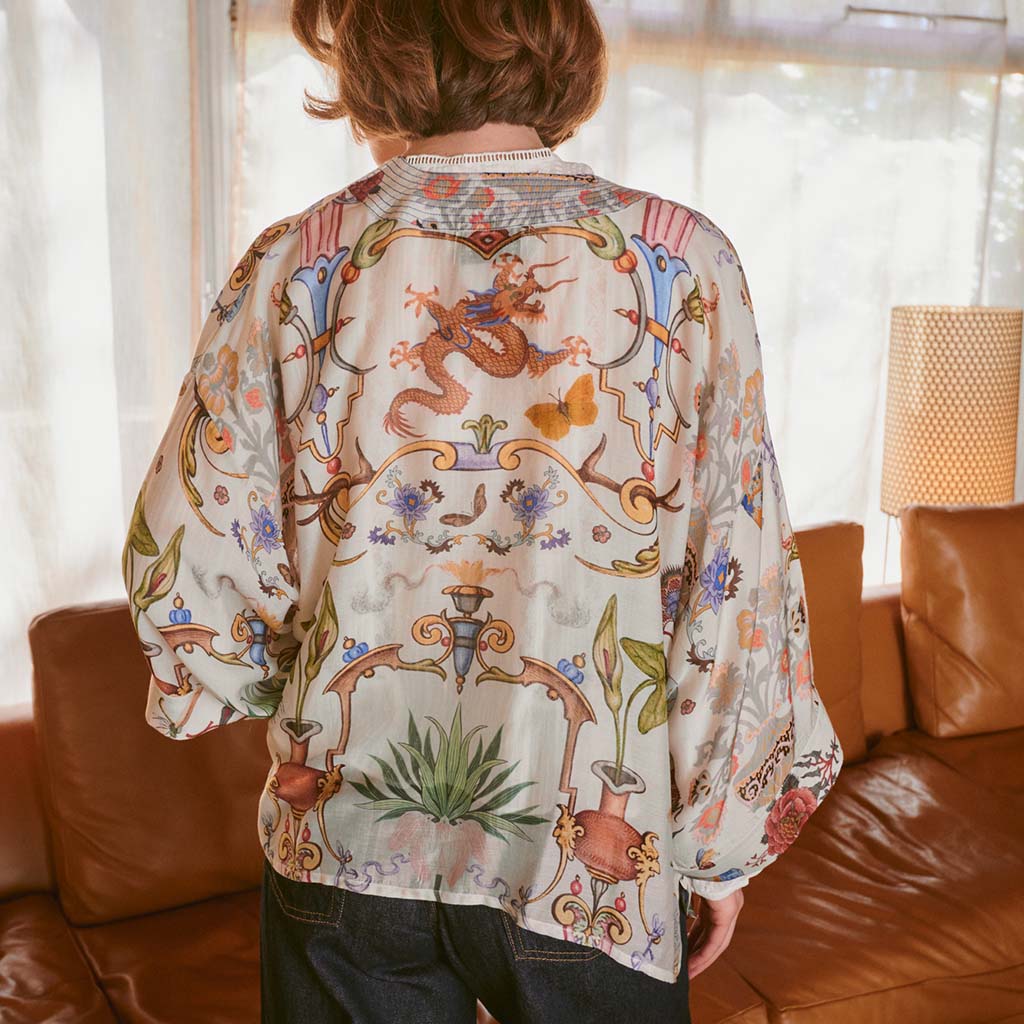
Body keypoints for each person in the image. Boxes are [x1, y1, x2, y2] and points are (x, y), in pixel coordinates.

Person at [120, 1, 845, 1021]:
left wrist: (260, 676)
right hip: (584, 859)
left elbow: (191, 548)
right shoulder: (680, 262)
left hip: (343, 839)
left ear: (369, 45)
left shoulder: (297, 263)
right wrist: (721, 845)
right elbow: (738, 580)